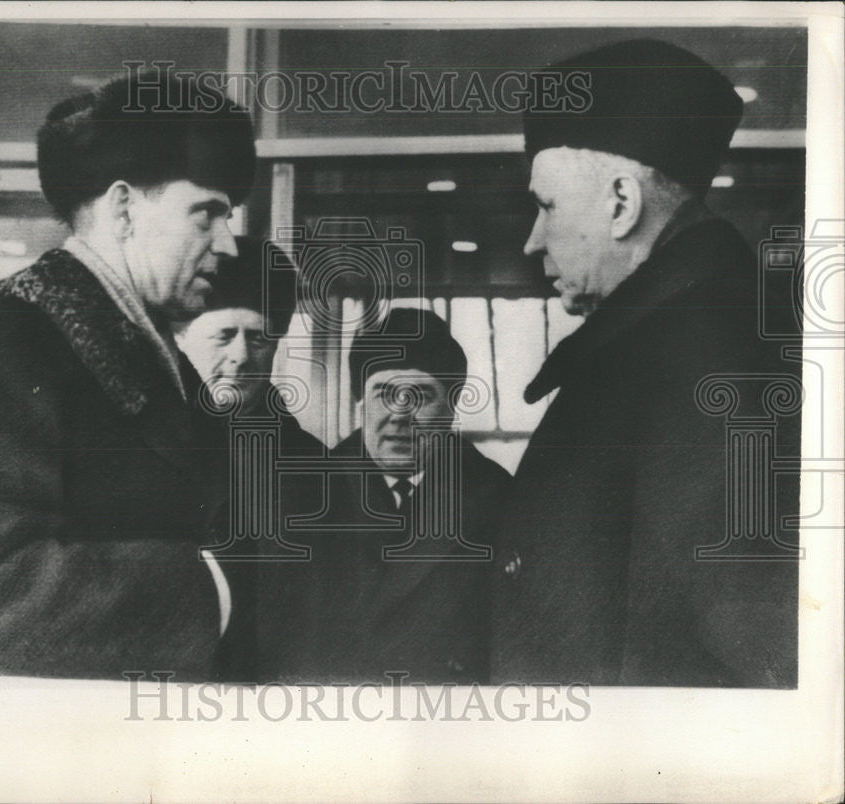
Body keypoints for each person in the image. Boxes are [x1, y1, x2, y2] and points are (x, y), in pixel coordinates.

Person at [490, 39, 800, 687]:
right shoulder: (692, 329)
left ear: (622, 203)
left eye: (546, 206)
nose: (532, 239)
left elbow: (739, 633)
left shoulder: (709, 346)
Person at [0, 70, 257, 680]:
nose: (229, 245)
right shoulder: (11, 338)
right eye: (206, 214)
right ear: (124, 207)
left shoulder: (153, 348)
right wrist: (213, 587)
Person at [258, 307, 515, 684]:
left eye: (420, 396)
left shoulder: (495, 498)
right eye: (383, 393)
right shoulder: (305, 495)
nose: (398, 415)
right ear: (361, 402)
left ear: (451, 408)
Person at [172, 236, 326, 680]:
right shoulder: (145, 451)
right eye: (224, 336)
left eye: (258, 339)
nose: (240, 356)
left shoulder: (313, 464)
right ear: (183, 339)